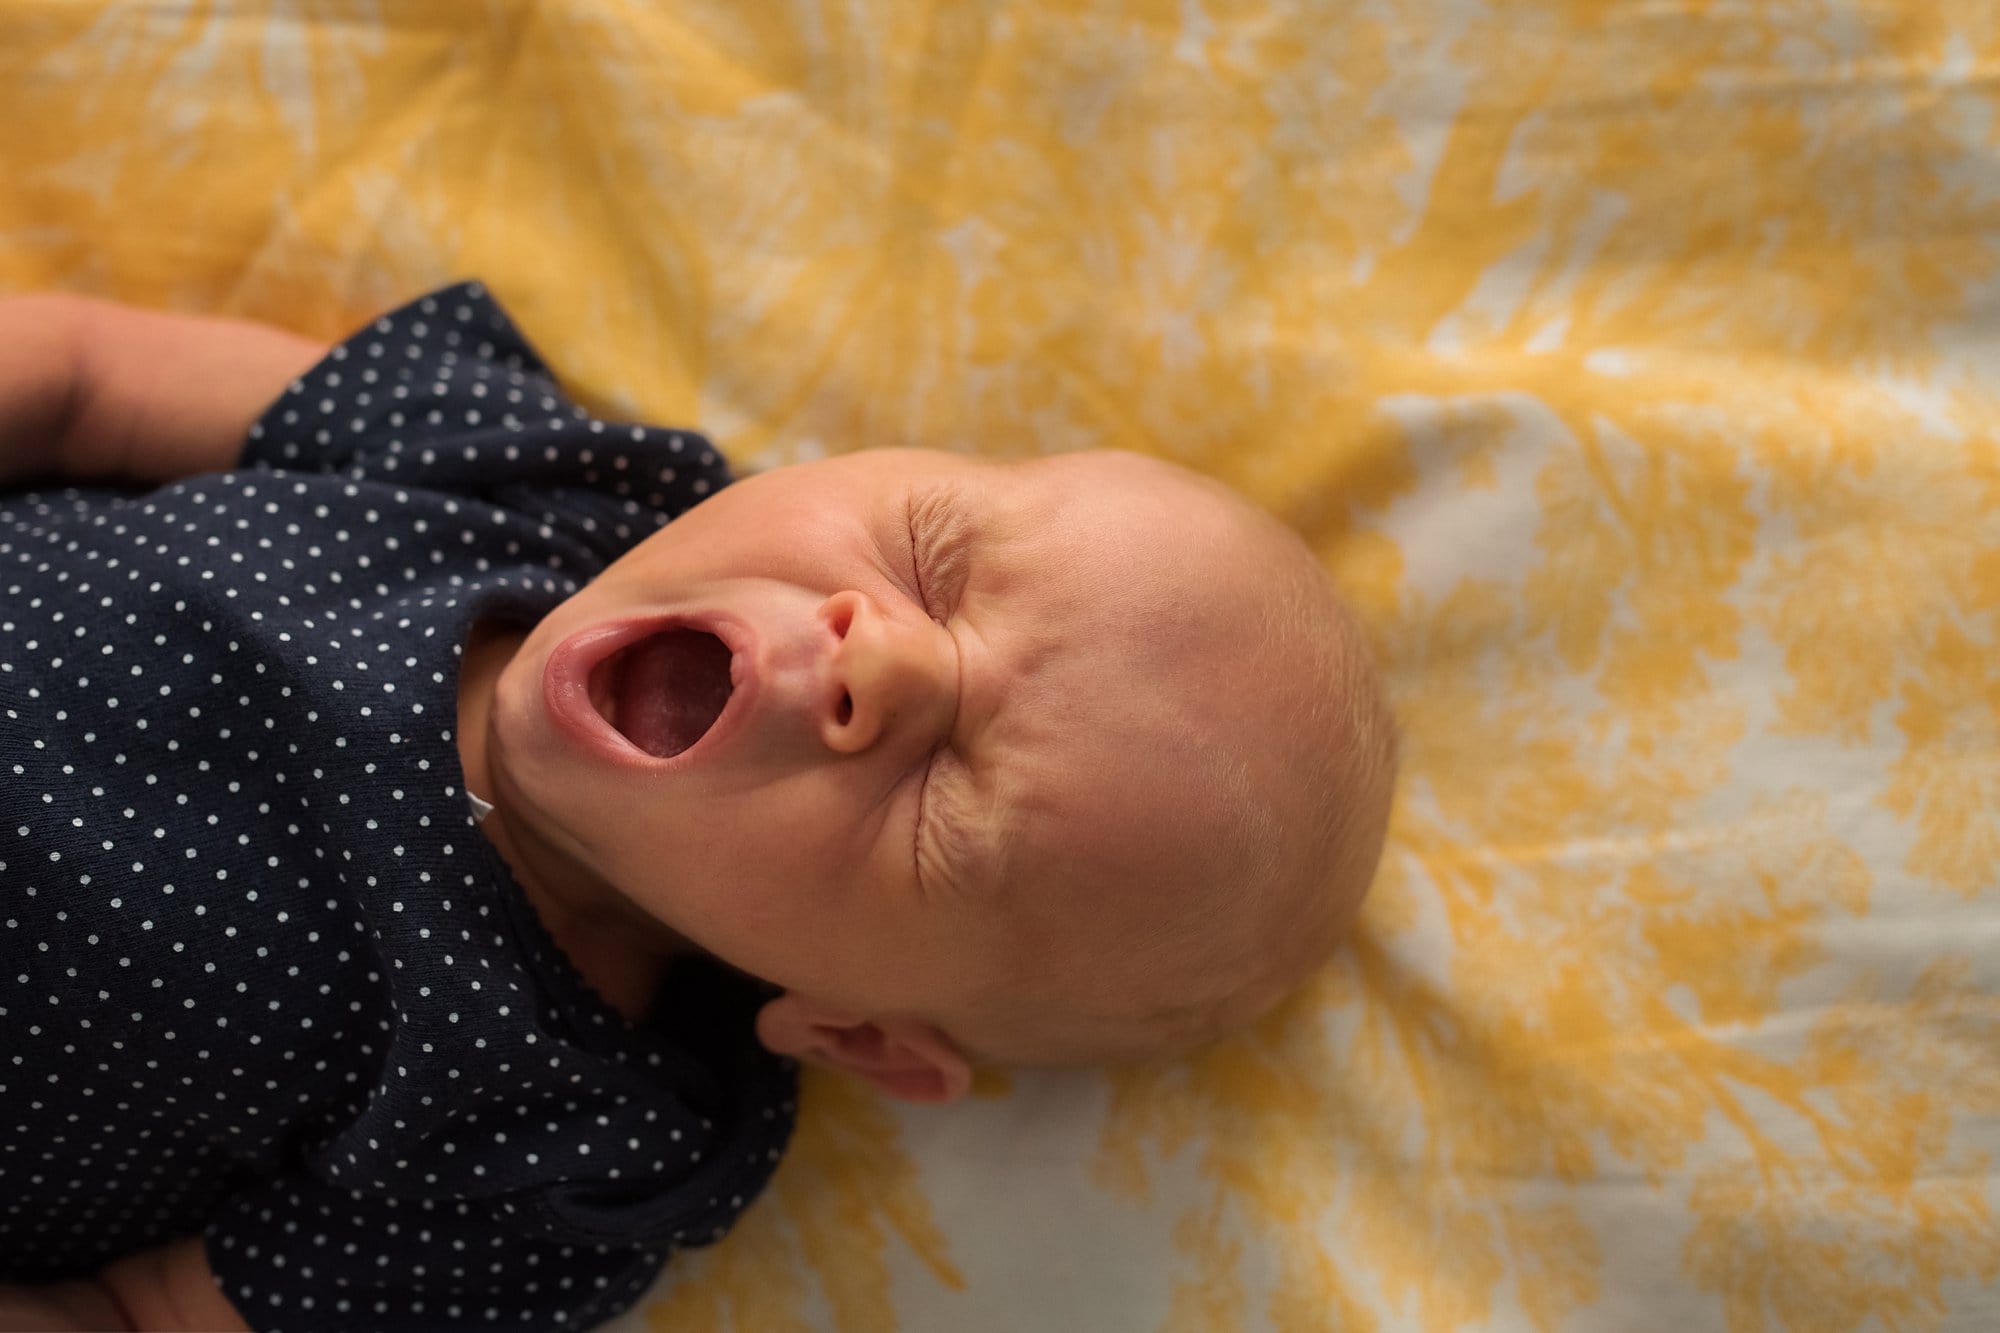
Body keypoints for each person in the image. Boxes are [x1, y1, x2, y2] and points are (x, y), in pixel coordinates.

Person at [0, 282, 1397, 1332]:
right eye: (935, 557)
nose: (882, 655)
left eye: (945, 806)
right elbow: (81, 378)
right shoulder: (519, 473)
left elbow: (134, 1318)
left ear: (852, 1025)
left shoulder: (568, 1160)